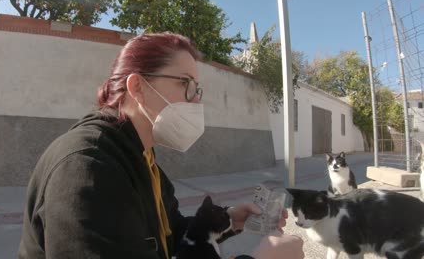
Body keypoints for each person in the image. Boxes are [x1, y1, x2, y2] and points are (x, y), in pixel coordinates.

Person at [18, 32, 304, 259]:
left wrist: (227, 221)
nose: (196, 100)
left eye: (197, 88)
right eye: (186, 84)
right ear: (138, 87)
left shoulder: (142, 159)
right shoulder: (88, 167)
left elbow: (169, 235)